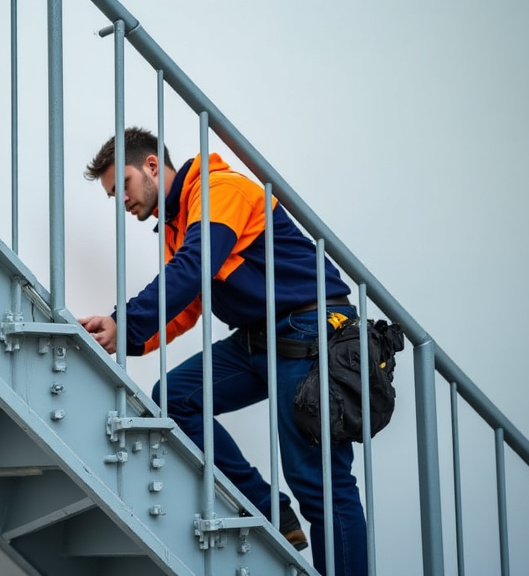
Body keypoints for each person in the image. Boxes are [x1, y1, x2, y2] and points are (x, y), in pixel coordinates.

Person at [79, 127, 366, 575]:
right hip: (259, 336)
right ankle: (270, 509)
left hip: (310, 332)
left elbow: (192, 271)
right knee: (176, 396)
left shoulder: (219, 190)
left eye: (124, 187)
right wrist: (122, 336)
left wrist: (126, 320)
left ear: (151, 165)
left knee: (322, 482)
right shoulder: (181, 221)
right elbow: (188, 303)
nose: (123, 201)